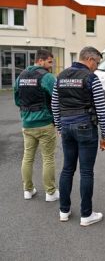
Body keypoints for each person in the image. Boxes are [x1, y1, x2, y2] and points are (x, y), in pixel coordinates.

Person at [51, 46, 105, 226]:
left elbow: (54, 104)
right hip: (85, 127)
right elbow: (101, 108)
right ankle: (86, 215)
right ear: (90, 59)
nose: (97, 67)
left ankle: (64, 211)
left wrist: (60, 126)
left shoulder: (59, 77)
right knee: (86, 172)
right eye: (97, 63)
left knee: (67, 169)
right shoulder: (92, 78)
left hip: (66, 127)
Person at [14, 49, 59, 202]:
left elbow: (17, 100)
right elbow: (57, 98)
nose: (51, 66)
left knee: (27, 158)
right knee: (48, 158)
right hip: (45, 123)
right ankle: (50, 193)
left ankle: (27, 190)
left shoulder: (20, 76)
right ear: (40, 61)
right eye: (49, 62)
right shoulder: (47, 77)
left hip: (27, 124)